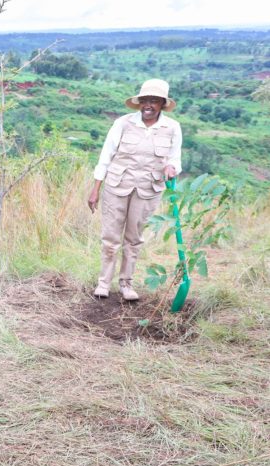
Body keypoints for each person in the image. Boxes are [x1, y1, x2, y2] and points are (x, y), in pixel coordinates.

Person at [87, 79, 182, 301]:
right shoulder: (123, 123)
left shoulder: (172, 128)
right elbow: (105, 157)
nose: (148, 105)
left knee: (134, 238)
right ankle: (103, 283)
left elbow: (175, 158)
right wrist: (95, 189)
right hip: (116, 186)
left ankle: (126, 284)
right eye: (145, 100)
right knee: (110, 237)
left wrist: (171, 167)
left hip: (149, 189)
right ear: (139, 102)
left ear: (162, 104)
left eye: (154, 101)